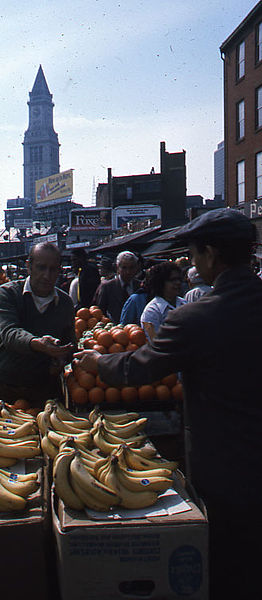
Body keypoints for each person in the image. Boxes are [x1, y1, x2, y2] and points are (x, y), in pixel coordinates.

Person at [73, 208, 262, 600]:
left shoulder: (193, 317)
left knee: (231, 563)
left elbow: (140, 367)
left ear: (210, 253)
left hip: (225, 464)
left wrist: (97, 362)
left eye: (193, 254)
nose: (191, 263)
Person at [0, 242, 76, 407]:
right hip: (10, 385)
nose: (47, 275)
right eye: (41, 268)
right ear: (29, 267)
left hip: (46, 388)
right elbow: (10, 332)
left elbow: (70, 342)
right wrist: (38, 344)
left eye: (53, 269)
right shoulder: (8, 293)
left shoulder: (65, 302)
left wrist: (62, 358)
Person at [140, 261, 186, 341]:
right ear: (160, 283)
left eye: (179, 279)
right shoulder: (151, 312)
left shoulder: (185, 303)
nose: (178, 283)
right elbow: (154, 341)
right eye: (172, 280)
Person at [92, 251, 140, 323]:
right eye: (124, 268)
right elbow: (99, 313)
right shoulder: (107, 287)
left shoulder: (140, 286)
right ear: (117, 268)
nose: (128, 271)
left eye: (131, 267)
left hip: (136, 331)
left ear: (136, 268)